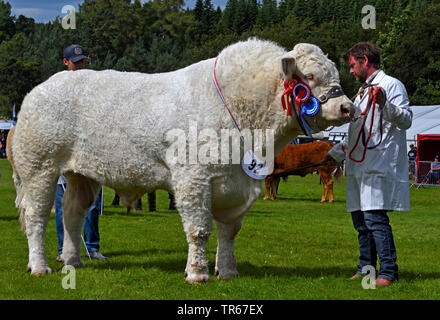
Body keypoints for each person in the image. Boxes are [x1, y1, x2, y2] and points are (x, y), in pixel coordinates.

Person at [323, 42, 412, 287]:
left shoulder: (391, 85)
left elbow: (406, 120)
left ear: (364, 60)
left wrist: (385, 103)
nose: (350, 71)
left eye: (352, 65)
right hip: (359, 166)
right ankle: (366, 269)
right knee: (361, 223)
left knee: (375, 219)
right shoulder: (362, 92)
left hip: (378, 163)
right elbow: (357, 134)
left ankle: (388, 272)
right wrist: (335, 154)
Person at [56, 44, 107, 262]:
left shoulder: (94, 86)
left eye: (82, 61)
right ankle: (63, 250)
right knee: (63, 204)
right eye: (75, 61)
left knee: (92, 204)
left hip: (90, 152)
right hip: (65, 152)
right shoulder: (57, 87)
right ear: (65, 62)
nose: (80, 65)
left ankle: (92, 247)